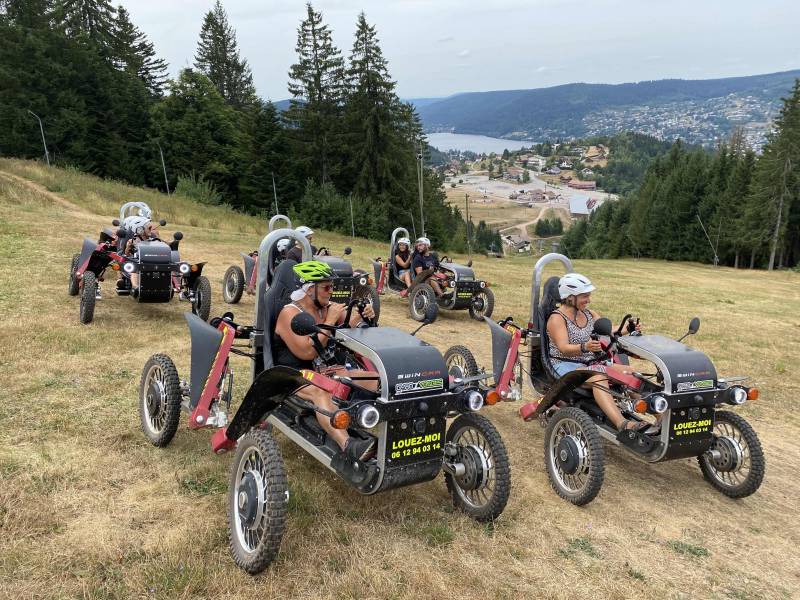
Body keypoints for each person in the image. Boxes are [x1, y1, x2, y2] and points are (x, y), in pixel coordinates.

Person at [273, 260, 378, 460]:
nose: (331, 292)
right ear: (309, 289)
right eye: (327, 287)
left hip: (325, 370)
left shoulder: (323, 307)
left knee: (375, 379)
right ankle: (348, 444)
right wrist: (329, 320)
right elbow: (306, 352)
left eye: (332, 287)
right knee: (322, 391)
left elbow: (349, 325)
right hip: (293, 374)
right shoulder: (289, 313)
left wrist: (364, 315)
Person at [547, 272, 648, 433]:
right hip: (566, 365)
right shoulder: (557, 319)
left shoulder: (589, 314)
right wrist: (585, 347)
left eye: (588, 295)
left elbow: (609, 332)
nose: (588, 300)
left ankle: (660, 416)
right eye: (584, 296)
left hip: (591, 364)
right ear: (570, 297)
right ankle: (622, 423)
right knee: (598, 377)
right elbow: (563, 348)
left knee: (631, 374)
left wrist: (627, 329)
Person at [122, 220, 161, 291]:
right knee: (134, 268)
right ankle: (135, 287)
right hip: (138, 262)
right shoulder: (132, 241)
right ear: (140, 229)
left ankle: (173, 286)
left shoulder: (154, 240)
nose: (151, 230)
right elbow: (127, 254)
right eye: (149, 228)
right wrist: (128, 247)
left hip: (152, 262)